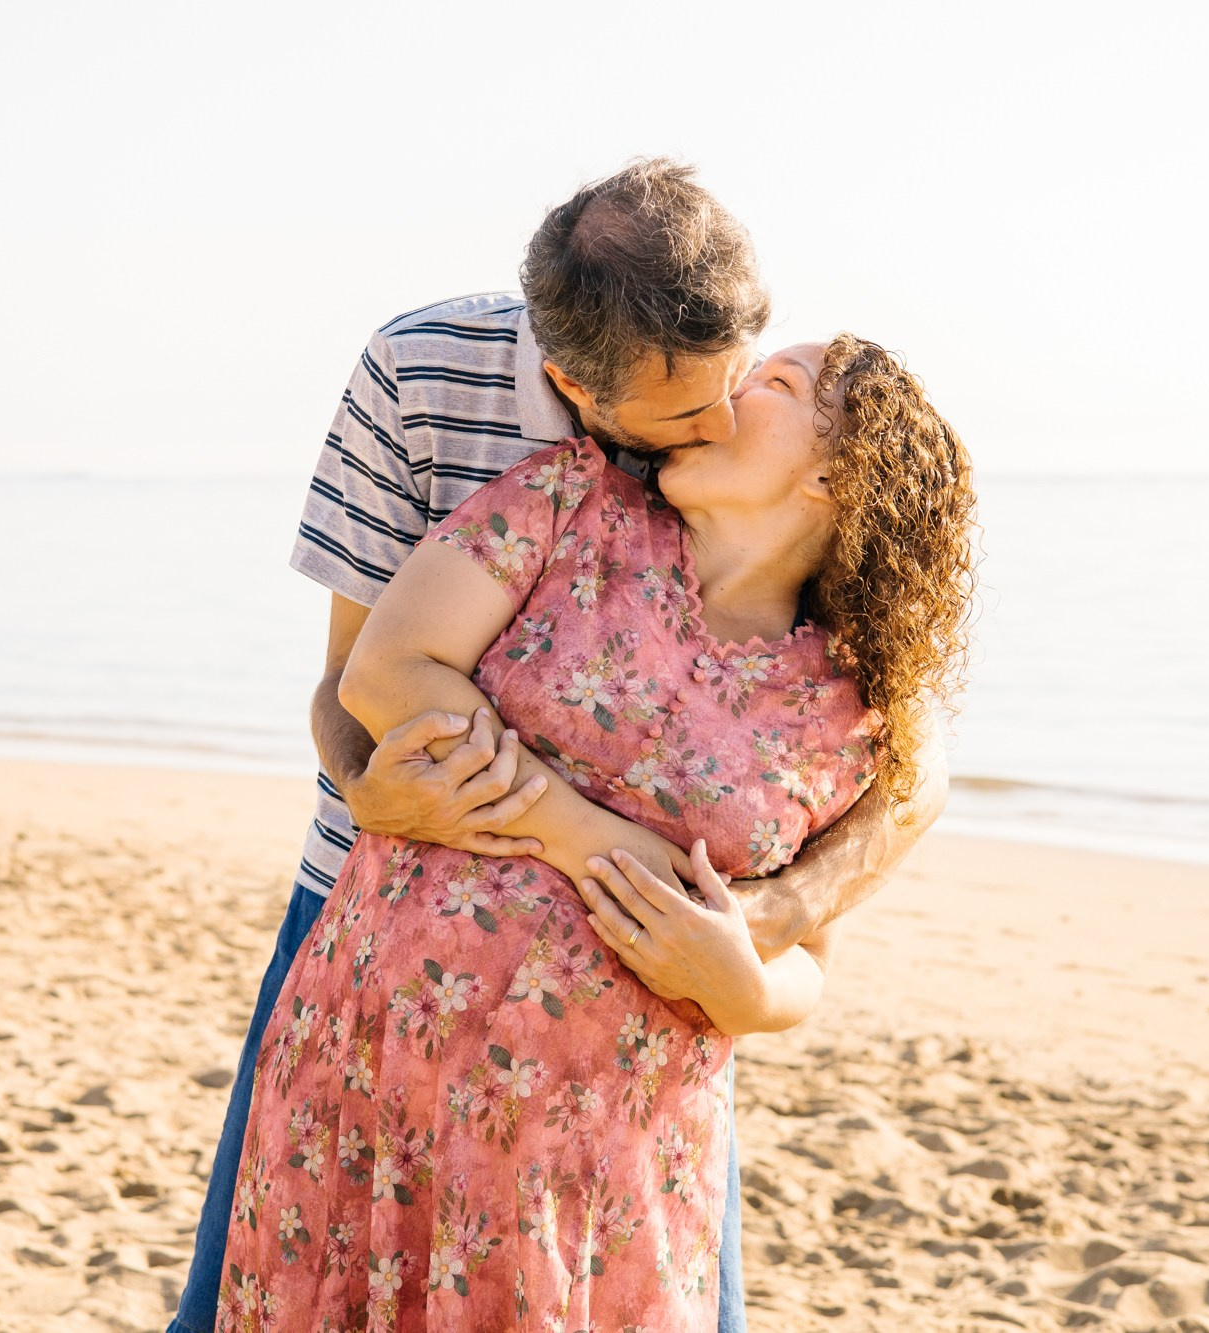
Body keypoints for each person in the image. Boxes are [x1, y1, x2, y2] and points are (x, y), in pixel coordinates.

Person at [167, 160, 948, 1333]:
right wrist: (381, 795)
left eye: (744, 379)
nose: (719, 415)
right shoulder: (469, 418)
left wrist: (760, 944)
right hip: (378, 941)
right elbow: (354, 678)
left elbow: (907, 779)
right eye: (680, 413)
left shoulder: (809, 600)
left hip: (625, 1088)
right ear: (573, 386)